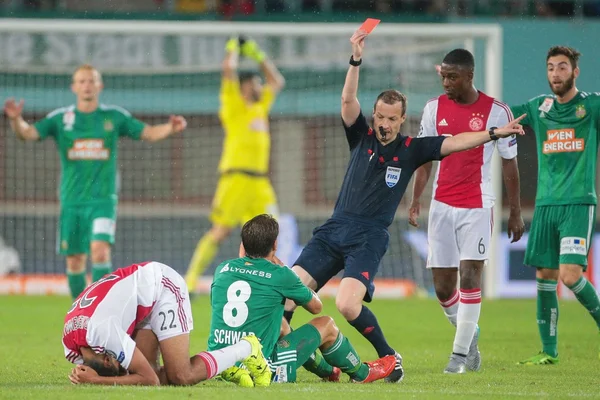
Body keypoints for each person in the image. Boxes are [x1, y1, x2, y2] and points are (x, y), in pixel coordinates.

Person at [282, 28, 526, 383]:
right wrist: (355, 59)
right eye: (379, 116)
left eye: (390, 119)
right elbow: (348, 101)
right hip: (334, 228)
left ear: (401, 120)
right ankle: (300, 363)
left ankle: (389, 357)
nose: (383, 123)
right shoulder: (361, 136)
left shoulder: (413, 149)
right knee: (289, 292)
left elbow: (457, 142)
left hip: (368, 237)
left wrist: (492, 133)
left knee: (348, 305)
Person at [3, 64, 187, 300]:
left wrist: (170, 128)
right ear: (74, 87)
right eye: (82, 81)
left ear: (100, 86)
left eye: (91, 81)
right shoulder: (61, 119)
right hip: (72, 201)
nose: (87, 85)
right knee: (75, 259)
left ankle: (101, 309)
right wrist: (16, 121)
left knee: (99, 252)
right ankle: (80, 313)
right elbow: (27, 134)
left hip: (103, 200)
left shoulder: (113, 116)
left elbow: (149, 132)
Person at [408, 49, 525, 374]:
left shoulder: (497, 111)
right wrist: (416, 199)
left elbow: (510, 166)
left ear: (469, 76)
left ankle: (459, 357)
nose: (446, 82)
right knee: (444, 287)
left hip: (478, 206)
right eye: (443, 76)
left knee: (471, 275)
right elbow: (425, 157)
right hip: (441, 206)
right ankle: (469, 336)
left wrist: (513, 212)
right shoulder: (433, 108)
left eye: (452, 77)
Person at [208, 214, 396, 385]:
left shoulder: (223, 269)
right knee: (326, 325)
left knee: (281, 326)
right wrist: (290, 276)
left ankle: (328, 371)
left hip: (220, 365)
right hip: (259, 370)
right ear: (275, 245)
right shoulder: (281, 274)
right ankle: (362, 373)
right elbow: (316, 307)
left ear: (242, 244)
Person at [511, 46, 600, 365]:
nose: (555, 74)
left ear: (575, 72)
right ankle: (549, 352)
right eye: (550, 68)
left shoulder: (592, 105)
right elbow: (504, 113)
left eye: (562, 68)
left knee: (570, 275)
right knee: (546, 275)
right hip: (546, 205)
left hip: (578, 203)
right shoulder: (539, 107)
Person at [64, 261, 270, 386]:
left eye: (117, 361)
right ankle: (218, 365)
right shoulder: (72, 345)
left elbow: (148, 380)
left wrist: (97, 381)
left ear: (108, 360)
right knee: (142, 376)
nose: (120, 361)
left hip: (162, 285)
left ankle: (246, 347)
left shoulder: (104, 332)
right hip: (139, 303)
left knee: (181, 376)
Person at [185, 36, 285, 293]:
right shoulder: (234, 106)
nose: (262, 86)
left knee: (269, 234)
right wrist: (233, 48)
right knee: (220, 232)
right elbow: (228, 70)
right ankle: (190, 280)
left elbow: (277, 81)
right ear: (245, 87)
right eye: (256, 82)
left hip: (260, 182)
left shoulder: (261, 107)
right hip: (235, 179)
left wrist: (256, 52)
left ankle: (263, 284)